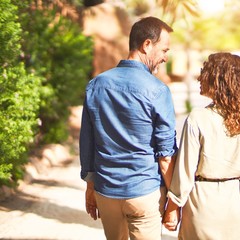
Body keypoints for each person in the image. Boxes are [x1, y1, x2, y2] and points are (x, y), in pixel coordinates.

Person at [79, 16, 178, 240]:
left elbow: (88, 141)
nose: (165, 58)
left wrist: (90, 186)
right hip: (143, 192)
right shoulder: (157, 90)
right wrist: (174, 199)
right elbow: (165, 155)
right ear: (146, 45)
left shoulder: (96, 85)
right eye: (164, 50)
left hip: (106, 192)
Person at [163, 52, 240, 240]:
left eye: (205, 72)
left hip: (203, 204)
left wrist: (172, 207)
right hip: (238, 205)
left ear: (217, 80)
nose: (200, 77)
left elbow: (185, 171)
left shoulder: (198, 118)